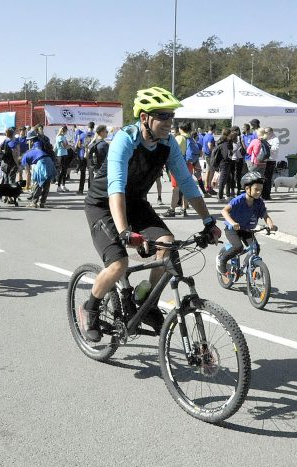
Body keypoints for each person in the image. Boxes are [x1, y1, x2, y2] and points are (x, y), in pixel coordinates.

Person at [79, 86, 220, 342]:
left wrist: (208, 220)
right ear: (145, 117)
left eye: (171, 116)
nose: (169, 122)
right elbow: (116, 188)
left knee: (168, 246)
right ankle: (90, 308)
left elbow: (187, 184)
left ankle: (145, 303)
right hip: (104, 204)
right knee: (119, 263)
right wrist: (124, 232)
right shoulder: (125, 139)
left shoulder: (167, 145)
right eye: (163, 116)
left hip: (135, 203)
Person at [216, 171, 276, 274]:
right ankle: (222, 260)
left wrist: (270, 224)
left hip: (246, 229)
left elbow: (265, 215)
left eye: (260, 190)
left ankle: (246, 268)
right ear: (247, 189)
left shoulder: (259, 202)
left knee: (255, 249)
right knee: (238, 247)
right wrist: (232, 223)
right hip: (232, 229)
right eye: (256, 189)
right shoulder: (239, 200)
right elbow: (224, 211)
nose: (259, 192)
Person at [163, 122, 192, 217]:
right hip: (188, 165)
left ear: (180, 128)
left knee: (175, 189)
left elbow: (171, 151)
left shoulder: (179, 138)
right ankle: (184, 209)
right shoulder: (191, 138)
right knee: (186, 188)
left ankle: (172, 210)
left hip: (178, 165)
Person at [21, 130, 57, 208]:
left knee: (38, 183)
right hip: (49, 160)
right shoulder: (39, 143)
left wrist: (27, 186)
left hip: (42, 162)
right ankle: (42, 203)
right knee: (46, 183)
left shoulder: (24, 158)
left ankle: (34, 203)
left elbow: (28, 174)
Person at [212, 128, 234, 202]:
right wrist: (231, 154)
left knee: (228, 179)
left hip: (225, 163)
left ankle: (228, 195)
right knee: (223, 180)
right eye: (231, 133)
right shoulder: (225, 143)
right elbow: (225, 155)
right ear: (228, 134)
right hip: (224, 163)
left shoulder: (224, 141)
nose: (232, 134)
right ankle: (220, 197)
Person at [85, 124, 109, 189]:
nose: (107, 132)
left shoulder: (92, 144)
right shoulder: (104, 145)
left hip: (92, 169)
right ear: (101, 132)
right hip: (101, 171)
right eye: (106, 131)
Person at [75, 122, 95, 195]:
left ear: (88, 126)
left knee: (82, 173)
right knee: (91, 174)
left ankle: (80, 190)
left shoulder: (82, 134)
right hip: (90, 156)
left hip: (82, 155)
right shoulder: (95, 135)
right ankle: (90, 191)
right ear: (93, 127)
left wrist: (83, 147)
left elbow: (78, 145)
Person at [263, 127, 279, 200]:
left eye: (266, 132)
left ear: (271, 132)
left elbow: (275, 148)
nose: (265, 134)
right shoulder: (265, 138)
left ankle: (267, 195)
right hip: (264, 160)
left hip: (271, 160)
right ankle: (262, 194)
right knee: (263, 178)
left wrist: (267, 147)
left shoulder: (275, 139)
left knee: (268, 178)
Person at [55, 126, 71, 192]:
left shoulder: (64, 137)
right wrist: (69, 146)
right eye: (66, 131)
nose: (67, 132)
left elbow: (67, 144)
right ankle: (58, 186)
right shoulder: (59, 137)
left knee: (64, 171)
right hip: (61, 155)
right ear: (64, 131)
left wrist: (68, 146)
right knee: (62, 171)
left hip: (65, 154)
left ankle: (63, 185)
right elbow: (64, 146)